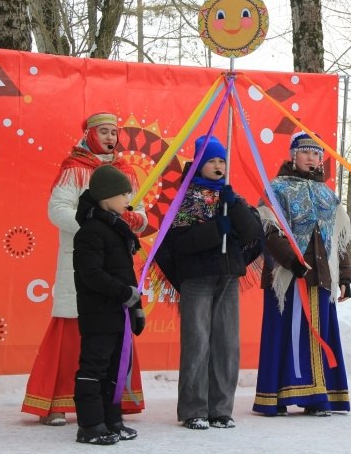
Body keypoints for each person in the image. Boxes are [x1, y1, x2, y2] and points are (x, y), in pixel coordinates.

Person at [22, 112, 146, 425]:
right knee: (73, 328)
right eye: (103, 132)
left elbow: (139, 213)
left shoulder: (124, 172)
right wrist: (95, 227)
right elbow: (57, 209)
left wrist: (133, 221)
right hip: (82, 257)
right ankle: (55, 403)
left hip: (115, 262)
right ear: (90, 134)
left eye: (113, 132)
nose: (109, 138)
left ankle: (112, 403)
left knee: (112, 330)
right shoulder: (74, 168)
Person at [156, 135, 262, 430]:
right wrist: (216, 230)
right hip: (197, 278)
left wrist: (234, 207)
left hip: (227, 277)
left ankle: (221, 409)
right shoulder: (186, 199)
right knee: (197, 342)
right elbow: (177, 244)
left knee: (227, 345)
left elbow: (252, 233)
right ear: (199, 164)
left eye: (222, 161)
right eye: (212, 161)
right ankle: (194, 409)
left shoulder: (232, 196)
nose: (218, 166)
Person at [252, 131, 351, 417]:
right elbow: (268, 230)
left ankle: (318, 398)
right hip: (288, 277)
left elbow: (339, 240)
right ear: (293, 155)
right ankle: (277, 397)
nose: (312, 158)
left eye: (316, 154)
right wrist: (291, 261)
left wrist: (344, 276)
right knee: (285, 333)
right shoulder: (277, 189)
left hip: (321, 277)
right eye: (306, 152)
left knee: (319, 333)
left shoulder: (328, 195)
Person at [72, 164, 146, 445]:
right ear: (106, 196)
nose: (128, 199)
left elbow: (125, 274)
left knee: (116, 368)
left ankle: (112, 421)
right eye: (124, 194)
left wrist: (136, 307)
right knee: (95, 367)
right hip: (99, 314)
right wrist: (123, 293)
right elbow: (91, 274)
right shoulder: (91, 231)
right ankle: (90, 425)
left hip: (118, 313)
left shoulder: (115, 229)